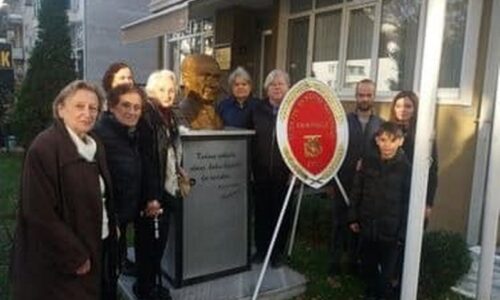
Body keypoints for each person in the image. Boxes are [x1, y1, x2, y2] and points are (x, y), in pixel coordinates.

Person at [10, 80, 118, 300]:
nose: (87, 113)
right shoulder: (45, 148)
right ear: (60, 109)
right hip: (64, 259)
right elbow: (39, 213)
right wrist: (74, 255)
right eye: (79, 106)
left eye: (93, 108)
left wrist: (111, 225)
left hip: (98, 241)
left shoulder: (94, 144)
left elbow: (102, 194)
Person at [134, 70, 184, 300]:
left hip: (166, 187)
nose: (168, 94)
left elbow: (170, 150)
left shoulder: (168, 115)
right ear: (152, 92)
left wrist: (179, 168)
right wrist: (151, 197)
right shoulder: (147, 117)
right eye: (162, 90)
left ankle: (151, 283)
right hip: (153, 194)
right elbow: (146, 160)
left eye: (172, 90)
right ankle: (145, 289)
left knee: (158, 243)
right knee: (148, 245)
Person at [348, 122, 412, 300]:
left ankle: (384, 295)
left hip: (391, 232)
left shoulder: (406, 169)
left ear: (400, 141)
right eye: (383, 140)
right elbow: (357, 190)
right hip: (368, 227)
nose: (387, 145)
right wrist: (353, 217)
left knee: (387, 274)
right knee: (368, 267)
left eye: (392, 141)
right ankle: (371, 293)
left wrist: (403, 232)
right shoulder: (368, 162)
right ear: (376, 140)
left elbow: (408, 202)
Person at [328, 78, 384, 283]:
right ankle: (334, 267)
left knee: (359, 226)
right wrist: (330, 183)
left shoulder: (381, 125)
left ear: (374, 97)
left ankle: (353, 265)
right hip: (343, 182)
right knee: (338, 225)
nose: (365, 98)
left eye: (369, 95)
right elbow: (332, 151)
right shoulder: (343, 122)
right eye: (361, 94)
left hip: (367, 188)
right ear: (356, 96)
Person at [93, 84, 146, 276]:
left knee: (112, 270)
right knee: (104, 272)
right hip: (105, 220)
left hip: (121, 216)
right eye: (126, 105)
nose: (132, 112)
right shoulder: (100, 135)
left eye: (137, 107)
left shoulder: (130, 133)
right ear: (112, 107)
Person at [251, 69, 291, 268]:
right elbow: (250, 139)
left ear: (288, 88)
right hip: (260, 171)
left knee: (281, 213)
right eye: (273, 84)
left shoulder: (293, 110)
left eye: (281, 84)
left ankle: (277, 253)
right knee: (262, 212)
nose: (277, 87)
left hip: (285, 173)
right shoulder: (257, 110)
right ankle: (261, 250)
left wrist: (296, 171)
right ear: (267, 89)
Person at [389, 91, 438, 220]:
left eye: (408, 106)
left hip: (414, 194)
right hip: (390, 196)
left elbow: (432, 170)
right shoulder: (386, 131)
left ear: (415, 109)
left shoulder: (424, 135)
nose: (402, 110)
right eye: (398, 106)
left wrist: (428, 203)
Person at [179, 54, 223, 129]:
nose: (213, 84)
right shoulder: (182, 112)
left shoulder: (217, 111)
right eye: (205, 77)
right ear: (186, 78)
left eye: (216, 77)